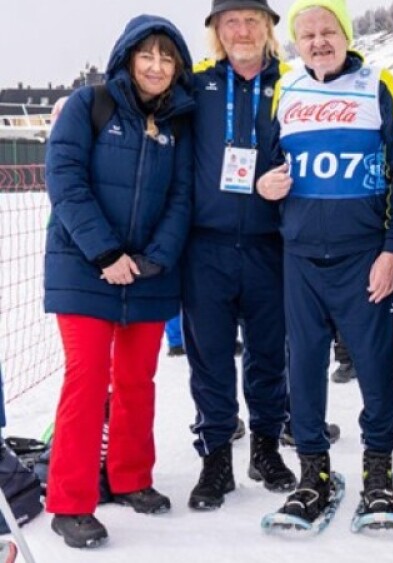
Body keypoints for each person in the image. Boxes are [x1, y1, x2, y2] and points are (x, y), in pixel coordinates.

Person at [256, 0, 393, 528]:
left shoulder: (377, 84)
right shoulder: (286, 88)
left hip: (363, 256)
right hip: (300, 257)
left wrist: (392, 249)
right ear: (296, 42)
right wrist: (264, 185)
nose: (319, 41)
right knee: (302, 367)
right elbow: (262, 165)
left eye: (329, 30)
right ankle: (313, 472)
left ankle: (377, 469)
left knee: (373, 365)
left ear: (345, 35)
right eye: (308, 33)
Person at [43, 14, 195, 548]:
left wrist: (156, 257)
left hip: (148, 275)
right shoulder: (90, 105)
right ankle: (69, 501)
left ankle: (132, 478)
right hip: (85, 267)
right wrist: (105, 252)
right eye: (147, 55)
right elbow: (64, 178)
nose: (156, 66)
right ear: (129, 58)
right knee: (87, 382)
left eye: (167, 57)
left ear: (177, 66)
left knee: (137, 381)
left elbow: (182, 198)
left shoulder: (179, 122)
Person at [184, 0, 296, 512]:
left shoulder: (292, 85)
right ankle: (215, 459)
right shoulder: (196, 85)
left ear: (269, 27)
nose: (243, 29)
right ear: (216, 31)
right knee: (209, 355)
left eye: (253, 19)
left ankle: (266, 447)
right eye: (231, 21)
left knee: (269, 353)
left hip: (268, 244)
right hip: (205, 244)